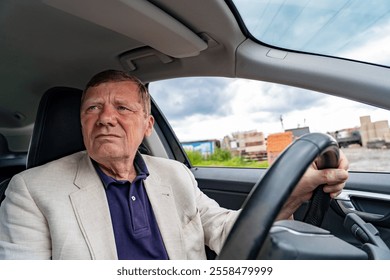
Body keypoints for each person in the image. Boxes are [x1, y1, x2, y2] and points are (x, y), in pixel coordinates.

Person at [0, 70, 349, 260]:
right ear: (81, 124)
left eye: (122, 108)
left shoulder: (175, 173)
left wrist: (294, 194)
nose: (105, 118)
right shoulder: (31, 189)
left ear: (147, 126)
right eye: (92, 108)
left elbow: (228, 230)